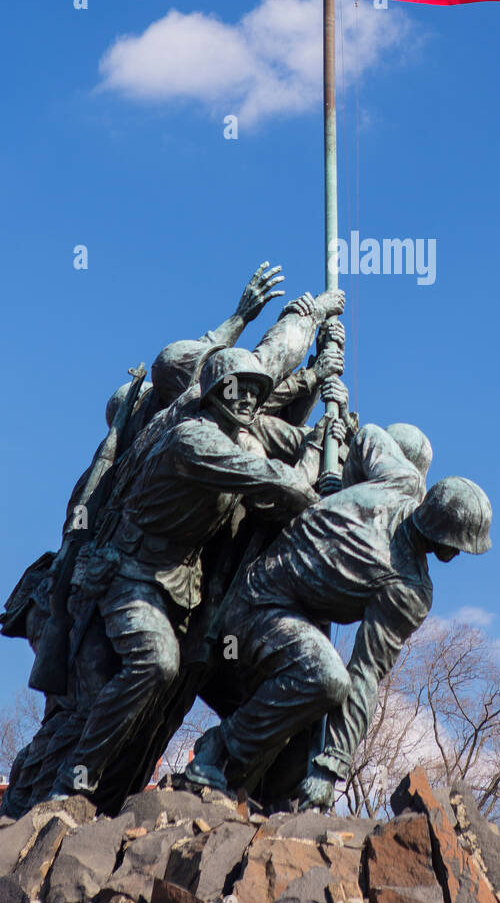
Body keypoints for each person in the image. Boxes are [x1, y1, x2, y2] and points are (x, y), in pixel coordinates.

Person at [46, 289, 345, 805]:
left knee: (229, 683)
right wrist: (321, 456)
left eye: (255, 390)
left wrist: (319, 375)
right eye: (238, 390)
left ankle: (240, 780)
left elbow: (268, 407)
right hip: (133, 579)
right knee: (155, 662)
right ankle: (78, 774)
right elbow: (274, 481)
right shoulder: (197, 440)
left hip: (183, 592)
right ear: (213, 393)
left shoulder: (216, 419)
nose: (251, 399)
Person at [185, 423, 491, 807]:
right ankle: (218, 748)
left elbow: (367, 436)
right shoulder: (408, 588)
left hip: (281, 606)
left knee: (316, 697)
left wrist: (344, 490)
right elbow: (364, 673)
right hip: (256, 606)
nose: (460, 554)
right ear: (446, 540)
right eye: (461, 546)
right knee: (327, 679)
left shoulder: (402, 479)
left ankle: (266, 790)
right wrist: (331, 767)